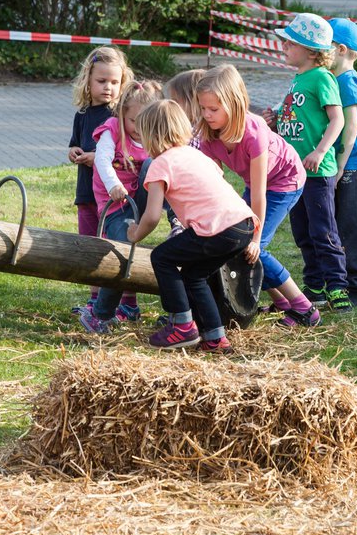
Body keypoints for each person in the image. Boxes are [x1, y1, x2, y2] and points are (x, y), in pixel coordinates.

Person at [79, 100, 257, 353]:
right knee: (194, 275)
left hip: (217, 228)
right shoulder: (196, 155)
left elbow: (151, 217)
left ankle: (182, 325)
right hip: (243, 225)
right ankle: (216, 338)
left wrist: (135, 233)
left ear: (151, 135)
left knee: (161, 257)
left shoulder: (161, 164)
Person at [196, 65, 320, 328]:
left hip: (285, 182)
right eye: (203, 108)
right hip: (257, 183)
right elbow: (212, 182)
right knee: (240, 244)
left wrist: (253, 237)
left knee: (254, 246)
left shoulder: (254, 132)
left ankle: (304, 308)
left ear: (235, 103)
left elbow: (260, 192)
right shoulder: (208, 135)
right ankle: (282, 302)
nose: (206, 115)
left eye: (213, 109)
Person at [263, 13, 349, 312]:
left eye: (290, 43)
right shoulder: (299, 79)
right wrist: (274, 121)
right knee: (302, 231)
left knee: (323, 231)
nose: (284, 47)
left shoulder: (322, 78)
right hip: (294, 173)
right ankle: (314, 285)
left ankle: (338, 287)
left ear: (311, 50)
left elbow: (337, 119)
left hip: (316, 171)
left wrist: (321, 151)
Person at [89, 79, 163, 322]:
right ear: (122, 114)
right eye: (134, 121)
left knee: (160, 164)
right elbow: (102, 160)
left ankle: (179, 223)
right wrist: (114, 185)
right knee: (123, 252)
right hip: (116, 205)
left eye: (146, 123)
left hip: (139, 200)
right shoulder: (112, 131)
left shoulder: (151, 136)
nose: (140, 129)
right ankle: (101, 314)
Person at [66, 46, 131, 309]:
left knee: (116, 248)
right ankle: (95, 301)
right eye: (102, 81)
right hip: (86, 195)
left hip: (110, 197)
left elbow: (126, 154)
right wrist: (74, 152)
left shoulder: (118, 117)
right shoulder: (82, 115)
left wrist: (98, 159)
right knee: (91, 248)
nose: (108, 88)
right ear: (88, 81)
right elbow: (73, 143)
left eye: (115, 82)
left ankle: (126, 301)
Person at [328, 17, 357, 307]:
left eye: (325, 46)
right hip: (341, 163)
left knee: (352, 227)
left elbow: (352, 125)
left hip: (353, 163)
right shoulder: (334, 78)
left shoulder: (348, 80)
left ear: (341, 49)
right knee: (337, 224)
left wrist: (342, 163)